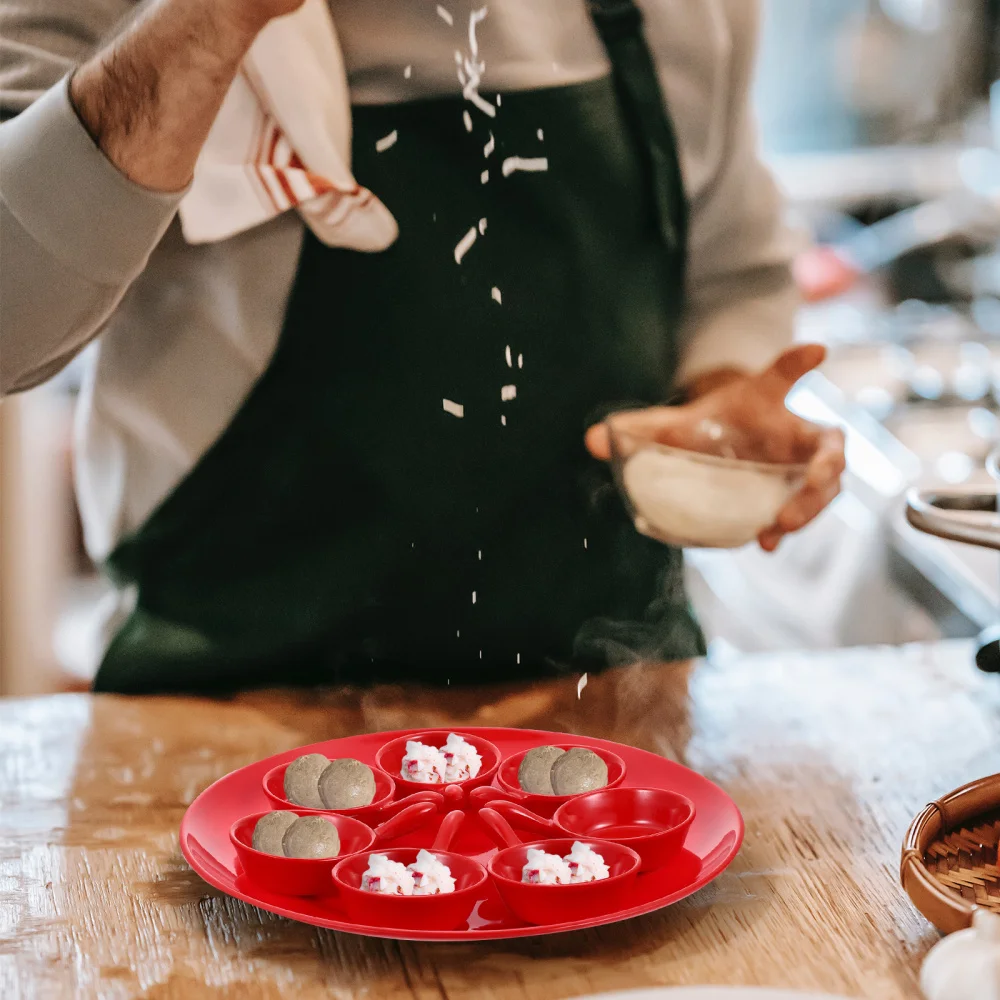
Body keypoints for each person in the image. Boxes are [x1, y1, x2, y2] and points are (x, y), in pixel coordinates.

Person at [0, 0, 845, 694]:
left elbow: (733, 269)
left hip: (600, 700)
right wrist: (210, 18)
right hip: (223, 700)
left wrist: (726, 397)